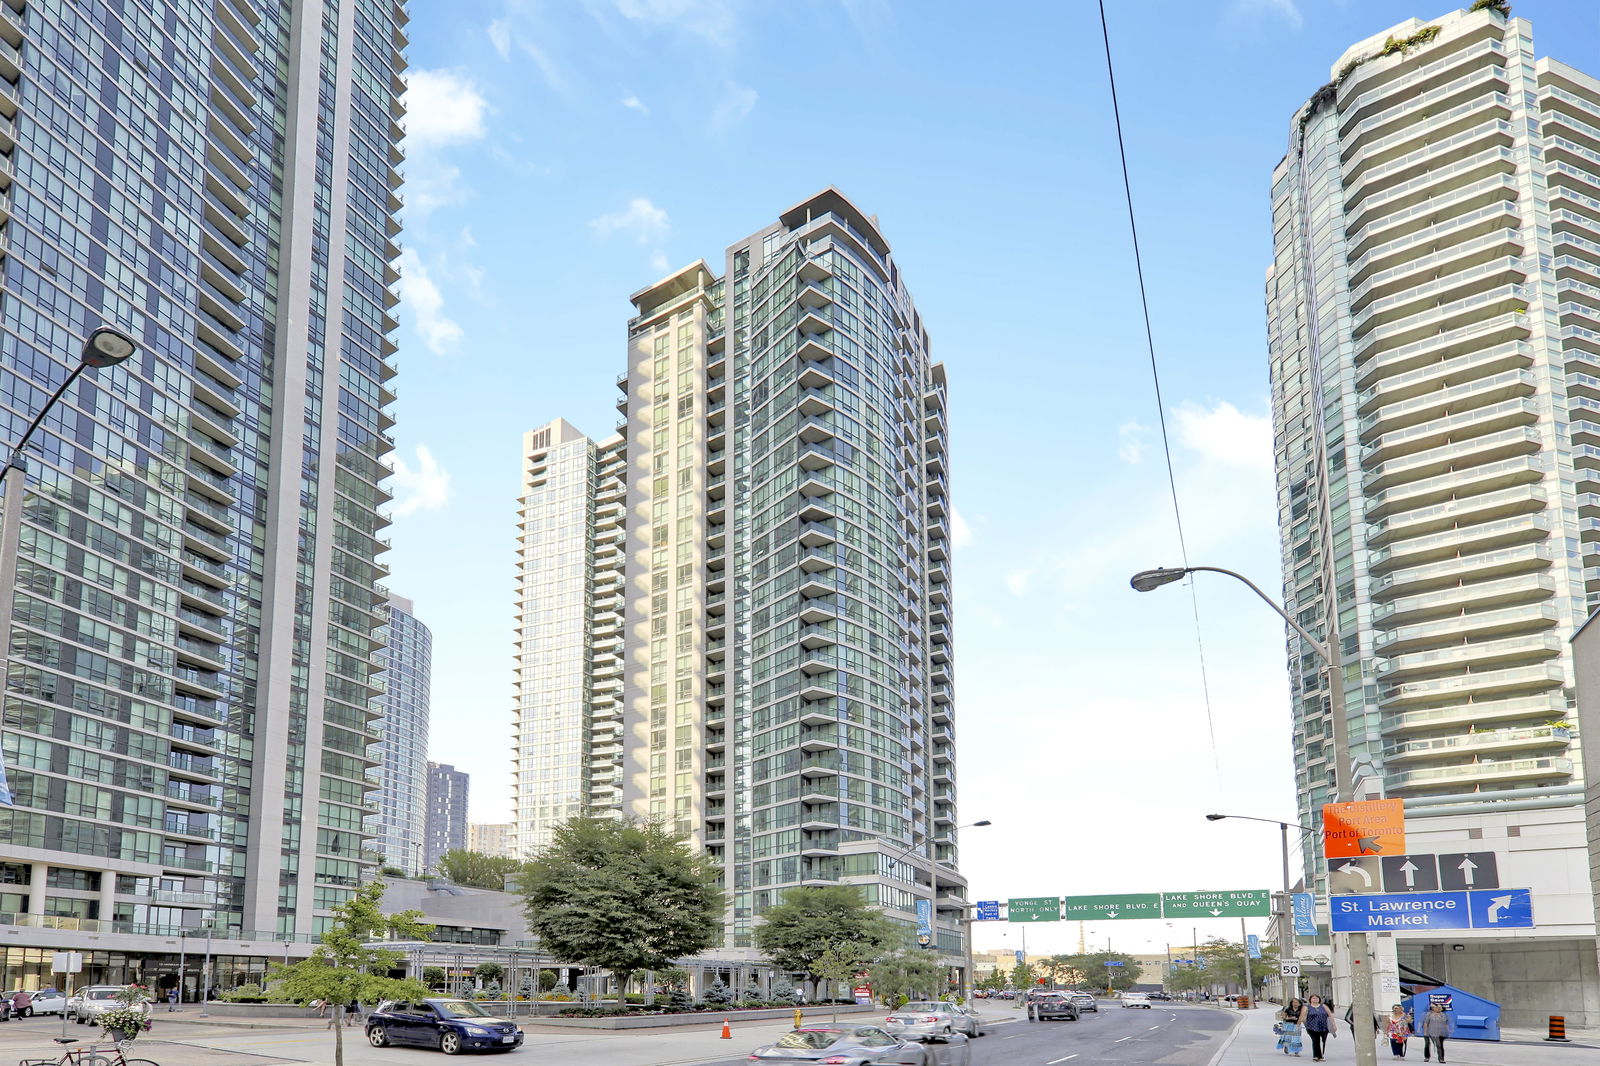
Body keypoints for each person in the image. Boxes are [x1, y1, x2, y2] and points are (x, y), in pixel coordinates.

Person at [1304, 994, 1335, 1062]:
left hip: (1323, 1027)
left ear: (1319, 999)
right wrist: (1305, 1024)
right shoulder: (1307, 1007)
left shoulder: (1323, 1006)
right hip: (1311, 1027)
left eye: (1316, 998)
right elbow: (1304, 1017)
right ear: (1310, 999)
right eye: (1313, 998)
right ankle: (1316, 1056)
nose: (1315, 999)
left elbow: (1330, 1015)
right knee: (1315, 1041)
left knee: (1323, 1041)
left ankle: (1321, 1054)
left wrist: (1333, 1024)